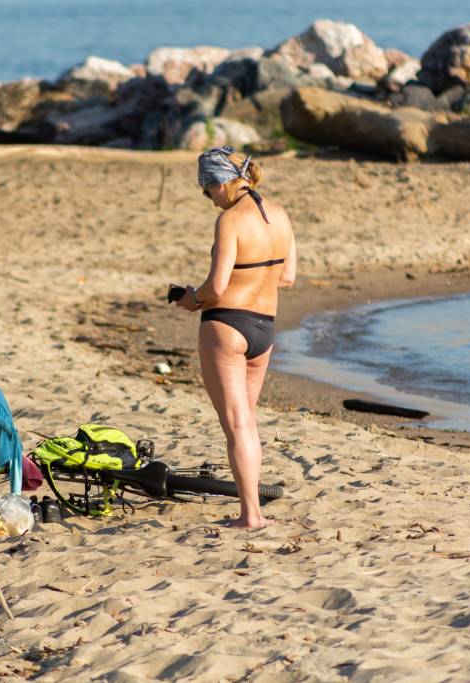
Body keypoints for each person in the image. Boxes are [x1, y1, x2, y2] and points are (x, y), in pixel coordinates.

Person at [175, 146, 296, 529]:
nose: (209, 199)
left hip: (226, 326)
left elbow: (217, 285)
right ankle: (252, 509)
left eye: (207, 190)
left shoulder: (230, 221)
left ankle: (251, 515)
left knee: (237, 425)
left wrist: (191, 299)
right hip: (264, 328)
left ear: (223, 182)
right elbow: (287, 277)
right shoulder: (279, 215)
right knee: (248, 421)